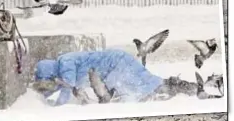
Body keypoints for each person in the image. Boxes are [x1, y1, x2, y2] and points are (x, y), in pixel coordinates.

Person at [33, 49, 193, 106]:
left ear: (50, 72)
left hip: (114, 62)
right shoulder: (61, 68)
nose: (51, 81)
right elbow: (64, 86)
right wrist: (42, 97)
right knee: (143, 83)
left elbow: (68, 85)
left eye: (47, 78)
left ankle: (182, 88)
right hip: (113, 63)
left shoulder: (64, 61)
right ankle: (179, 88)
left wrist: (57, 106)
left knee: (143, 84)